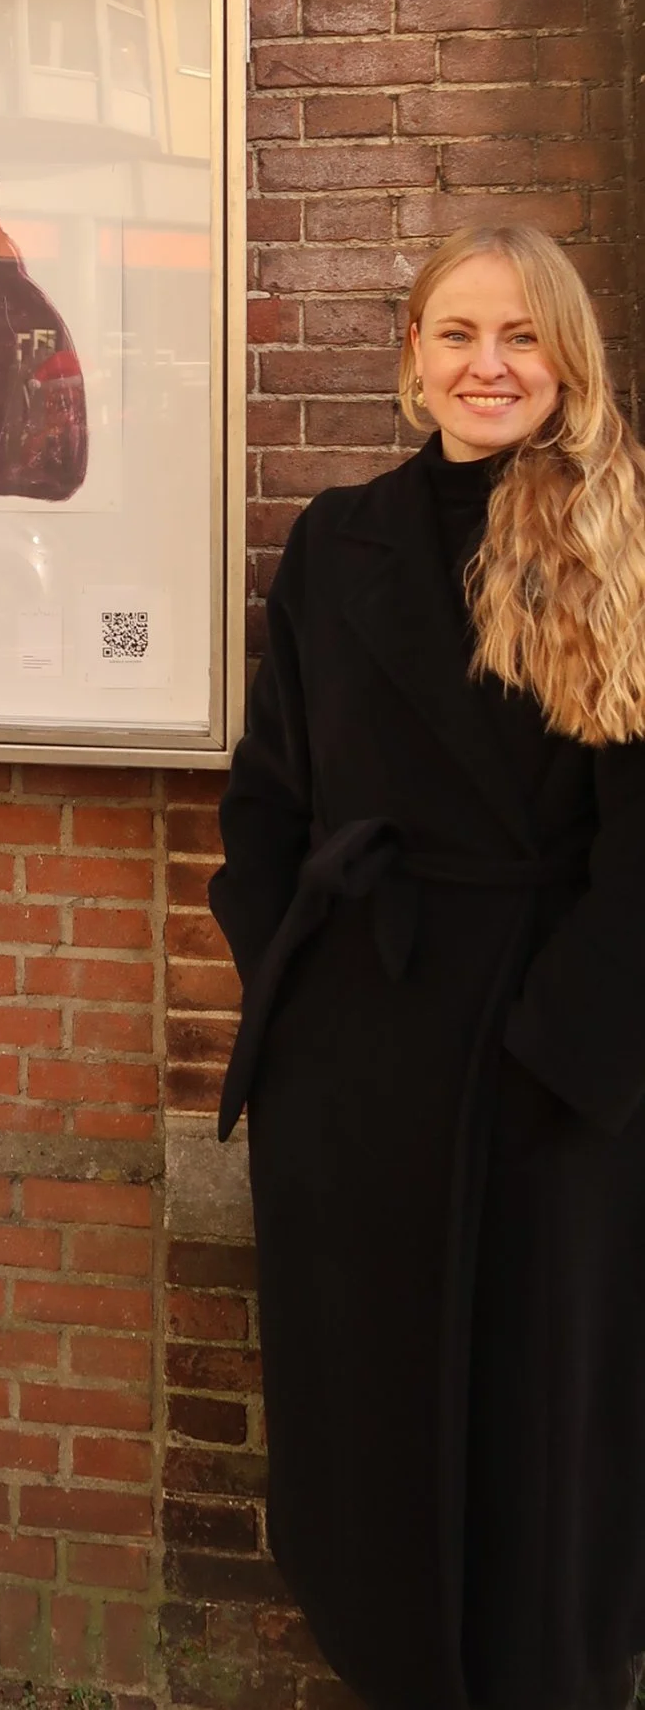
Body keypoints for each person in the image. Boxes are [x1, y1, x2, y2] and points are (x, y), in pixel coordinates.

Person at [210, 223, 645, 1710]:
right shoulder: (337, 542)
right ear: (412, 361)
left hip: (540, 1059)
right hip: (357, 1053)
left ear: (567, 360)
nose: (489, 364)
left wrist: (559, 1054)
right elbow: (270, 792)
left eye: (521, 336)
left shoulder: (616, 537)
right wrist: (296, 979)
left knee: (538, 1413)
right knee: (370, 1401)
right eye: (457, 335)